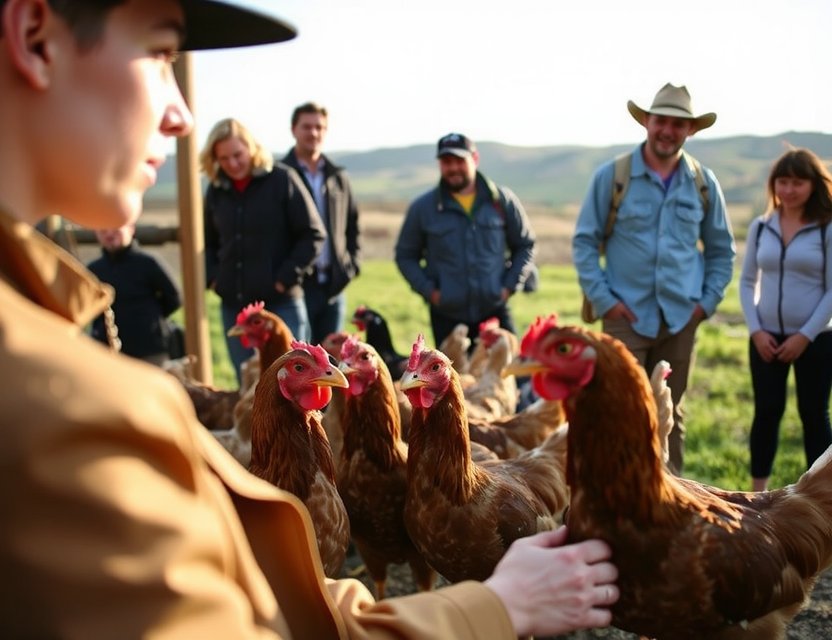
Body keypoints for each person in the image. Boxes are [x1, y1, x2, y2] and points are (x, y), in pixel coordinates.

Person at [0, 1, 619, 638]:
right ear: (35, 37)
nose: (182, 115)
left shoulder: (58, 372)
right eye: (160, 55)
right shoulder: (59, 406)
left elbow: (254, 597)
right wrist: (496, 609)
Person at [572, 83, 736, 475]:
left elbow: (721, 251)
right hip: (624, 317)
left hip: (682, 317)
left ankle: (671, 505)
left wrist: (704, 305)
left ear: (691, 130)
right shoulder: (613, 177)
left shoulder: (703, 182)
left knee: (670, 414)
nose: (668, 130)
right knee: (618, 412)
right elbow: (584, 243)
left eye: (679, 124)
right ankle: (614, 504)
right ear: (646, 121)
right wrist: (606, 300)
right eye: (661, 120)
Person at [200, 116, 325, 383]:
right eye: (223, 158)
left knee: (297, 385)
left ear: (252, 149)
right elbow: (207, 242)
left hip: (282, 305)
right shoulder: (216, 191)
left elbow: (313, 234)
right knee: (249, 388)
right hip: (234, 307)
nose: (232, 164)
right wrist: (214, 278)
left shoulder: (282, 180)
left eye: (237, 155)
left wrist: (282, 279)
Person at [739, 148, 832, 491]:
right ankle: (756, 494)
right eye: (782, 181)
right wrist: (756, 331)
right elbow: (748, 281)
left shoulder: (827, 228)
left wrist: (805, 336)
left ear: (813, 185)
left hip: (817, 339)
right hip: (766, 337)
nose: (789, 190)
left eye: (797, 182)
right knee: (766, 412)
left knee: (813, 415)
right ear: (773, 184)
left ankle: (824, 498)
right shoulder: (761, 227)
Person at [395, 132, 537, 349]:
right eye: (446, 162)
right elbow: (405, 256)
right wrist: (431, 293)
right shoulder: (423, 208)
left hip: (495, 311)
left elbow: (525, 245)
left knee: (506, 380)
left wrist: (508, 287)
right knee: (453, 381)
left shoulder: (502, 201)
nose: (453, 168)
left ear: (475, 159)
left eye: (460, 160)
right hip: (446, 315)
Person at [282, 102, 361, 344]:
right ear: (294, 129)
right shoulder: (280, 174)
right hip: (297, 285)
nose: (313, 133)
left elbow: (352, 225)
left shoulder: (338, 176)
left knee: (332, 361)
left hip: (334, 286)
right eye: (307, 126)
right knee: (300, 359)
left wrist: (351, 265)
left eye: (320, 127)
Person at [87, 223, 182, 365]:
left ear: (131, 229)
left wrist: (151, 319)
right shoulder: (93, 270)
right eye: (103, 230)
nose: (109, 234)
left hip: (149, 348)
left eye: (115, 229)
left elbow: (174, 297)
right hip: (108, 349)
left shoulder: (148, 263)